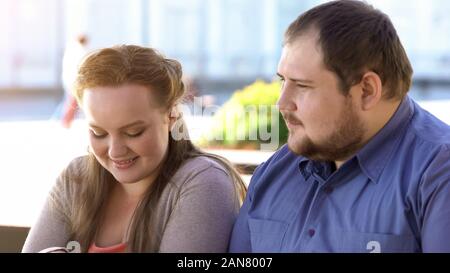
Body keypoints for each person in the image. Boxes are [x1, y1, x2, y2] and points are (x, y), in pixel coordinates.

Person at [229, 0, 450, 253]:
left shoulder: (438, 174)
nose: (282, 103)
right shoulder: (275, 173)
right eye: (283, 80)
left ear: (366, 90)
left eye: (302, 86)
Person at [23, 45, 247, 253]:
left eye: (133, 132)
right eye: (98, 133)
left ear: (171, 116)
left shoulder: (203, 180)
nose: (115, 152)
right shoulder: (76, 178)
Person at [57, 34, 89, 128]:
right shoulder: (80, 50)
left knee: (70, 101)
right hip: (75, 80)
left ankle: (65, 120)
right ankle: (65, 121)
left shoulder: (71, 49)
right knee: (72, 102)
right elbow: (81, 66)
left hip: (68, 79)